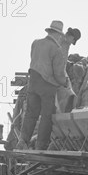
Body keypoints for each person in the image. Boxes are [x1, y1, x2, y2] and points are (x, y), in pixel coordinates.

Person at [16, 20, 69, 151]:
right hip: (47, 86)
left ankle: (23, 141)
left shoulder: (36, 43)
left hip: (33, 82)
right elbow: (58, 74)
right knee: (47, 115)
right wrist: (65, 82)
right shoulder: (57, 50)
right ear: (58, 35)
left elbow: (34, 61)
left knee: (31, 113)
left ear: (49, 31)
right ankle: (41, 145)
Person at [57, 27, 82, 113]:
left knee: (68, 93)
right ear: (71, 37)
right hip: (56, 73)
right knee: (66, 94)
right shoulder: (61, 41)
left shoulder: (65, 43)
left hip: (60, 72)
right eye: (73, 41)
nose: (72, 43)